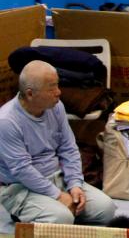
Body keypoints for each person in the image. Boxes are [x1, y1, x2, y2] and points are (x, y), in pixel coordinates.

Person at [0, 61, 116, 225]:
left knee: (106, 209)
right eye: (51, 88)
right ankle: (28, 211)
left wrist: (75, 184)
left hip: (57, 177)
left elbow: (69, 148)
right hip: (21, 187)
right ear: (30, 94)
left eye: (57, 85)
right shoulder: (6, 121)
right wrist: (58, 195)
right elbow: (22, 169)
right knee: (62, 218)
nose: (59, 92)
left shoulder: (56, 107)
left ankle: (54, 211)